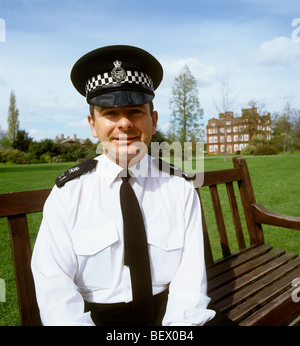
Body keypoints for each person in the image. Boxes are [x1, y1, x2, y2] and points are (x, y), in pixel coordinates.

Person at [31, 45, 234, 326]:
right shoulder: (68, 194)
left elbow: (188, 282)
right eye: (110, 113)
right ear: (93, 124)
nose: (124, 123)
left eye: (135, 111)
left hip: (172, 315)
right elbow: (54, 287)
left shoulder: (179, 188)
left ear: (153, 120)